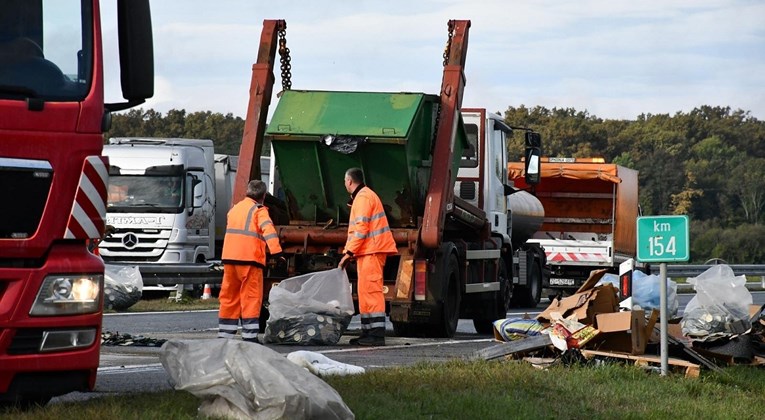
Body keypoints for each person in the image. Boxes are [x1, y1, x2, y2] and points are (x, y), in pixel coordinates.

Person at [338, 168, 397, 346]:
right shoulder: (363, 196)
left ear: (349, 181)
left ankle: (376, 334)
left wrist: (348, 253)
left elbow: (361, 229)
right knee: (365, 292)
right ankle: (369, 332)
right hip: (368, 251)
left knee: (371, 292)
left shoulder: (363, 198)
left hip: (372, 250)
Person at [218, 180, 283, 343]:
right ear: (263, 196)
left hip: (230, 259)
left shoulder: (234, 209)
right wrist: (276, 253)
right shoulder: (259, 211)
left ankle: (225, 335)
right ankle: (249, 336)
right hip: (250, 260)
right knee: (251, 297)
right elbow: (269, 231)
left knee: (229, 296)